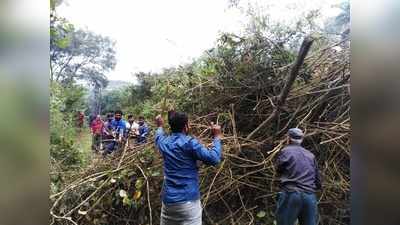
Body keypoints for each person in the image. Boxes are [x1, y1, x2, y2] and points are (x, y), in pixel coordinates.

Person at [154, 111, 222, 225]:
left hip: (168, 203)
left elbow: (158, 136)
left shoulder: (164, 143)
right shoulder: (190, 143)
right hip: (188, 202)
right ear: (186, 126)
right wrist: (217, 137)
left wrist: (160, 125)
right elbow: (214, 158)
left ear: (171, 126)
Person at [274, 128, 322, 225]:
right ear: (301, 140)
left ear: (288, 139)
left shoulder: (286, 151)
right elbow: (318, 181)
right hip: (309, 196)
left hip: (291, 194)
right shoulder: (310, 155)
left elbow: (279, 170)